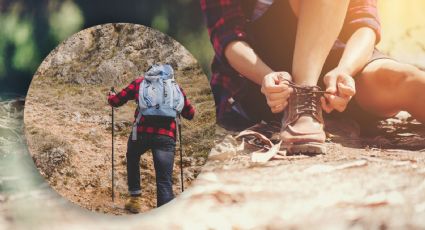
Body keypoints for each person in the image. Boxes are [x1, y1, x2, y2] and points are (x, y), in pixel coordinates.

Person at [201, 0, 425, 154]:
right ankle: (303, 105)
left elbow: (364, 21)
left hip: (336, 62)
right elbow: (228, 37)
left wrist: (345, 70)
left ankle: (325, 110)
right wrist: (267, 77)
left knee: (404, 81)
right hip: (267, 78)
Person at [108, 64, 195, 213]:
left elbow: (116, 101)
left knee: (133, 156)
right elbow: (190, 113)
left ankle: (135, 199)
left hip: (141, 134)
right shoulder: (175, 87)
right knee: (164, 179)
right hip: (166, 137)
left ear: (149, 72)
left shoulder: (140, 82)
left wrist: (110, 96)